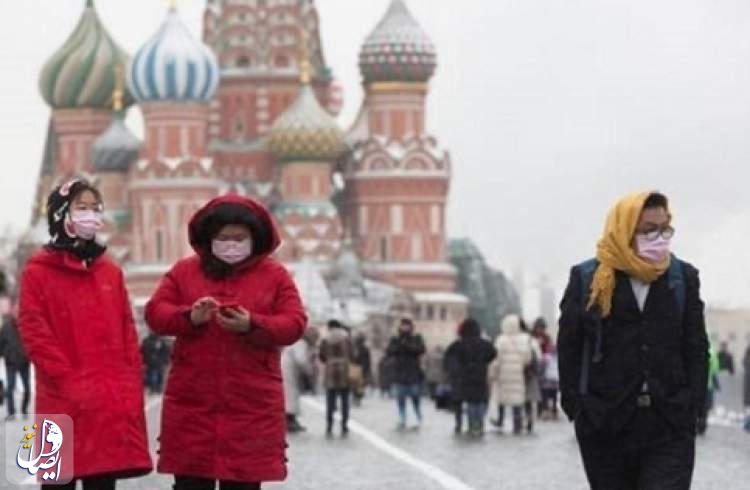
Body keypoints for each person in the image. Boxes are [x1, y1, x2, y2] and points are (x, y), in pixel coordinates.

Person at [145, 195, 307, 490]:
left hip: (250, 403)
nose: (231, 244)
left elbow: (294, 322)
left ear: (254, 238)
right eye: (223, 237)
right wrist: (190, 317)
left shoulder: (274, 275)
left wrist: (252, 324)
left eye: (239, 237)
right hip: (193, 400)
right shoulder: (185, 272)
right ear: (209, 238)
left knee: (243, 483)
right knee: (191, 481)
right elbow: (156, 313)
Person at [558, 191, 708, 490]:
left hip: (669, 420)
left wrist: (693, 404)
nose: (659, 238)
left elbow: (696, 346)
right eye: (649, 230)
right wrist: (577, 406)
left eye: (665, 229)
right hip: (606, 422)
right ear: (625, 229)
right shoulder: (589, 278)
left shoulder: (682, 278)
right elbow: (570, 346)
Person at [18, 179, 152, 488]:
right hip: (60, 399)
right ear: (61, 214)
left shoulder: (110, 272)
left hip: (106, 401)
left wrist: (131, 380)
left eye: (95, 208)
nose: (91, 215)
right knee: (57, 481)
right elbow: (34, 331)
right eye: (82, 208)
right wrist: (70, 381)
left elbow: (127, 331)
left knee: (102, 481)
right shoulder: (37, 272)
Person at [444, 318, 497, 436]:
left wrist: (457, 369)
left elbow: (448, 357)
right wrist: (484, 361)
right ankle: (480, 423)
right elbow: (493, 352)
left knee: (471, 402)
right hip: (480, 376)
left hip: (466, 377)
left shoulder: (458, 345)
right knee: (481, 401)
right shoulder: (484, 344)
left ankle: (472, 424)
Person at [491, 314, 534, 434]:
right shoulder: (525, 339)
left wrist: (493, 374)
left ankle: (500, 420)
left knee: (502, 399)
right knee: (517, 400)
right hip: (518, 375)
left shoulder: (501, 340)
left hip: (503, 375)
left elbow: (496, 360)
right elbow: (528, 359)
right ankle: (517, 424)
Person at [385, 318, 426, 430]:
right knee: (401, 397)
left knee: (415, 396)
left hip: (413, 372)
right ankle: (402, 417)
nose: (405, 327)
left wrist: (407, 345)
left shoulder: (416, 338)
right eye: (403, 325)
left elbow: (421, 349)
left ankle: (418, 416)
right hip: (400, 372)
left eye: (407, 325)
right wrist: (399, 346)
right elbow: (389, 351)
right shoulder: (395, 339)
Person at [318, 320, 353, 436]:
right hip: (344, 370)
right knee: (345, 401)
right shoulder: (346, 337)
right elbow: (353, 353)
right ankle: (344, 425)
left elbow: (321, 356)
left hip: (330, 371)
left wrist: (329, 360)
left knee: (330, 401)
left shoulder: (325, 338)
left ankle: (329, 425)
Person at [0, 308, 30, 418]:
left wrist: (29, 355)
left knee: (27, 388)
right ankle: (11, 412)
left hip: (24, 362)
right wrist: (5, 354)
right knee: (10, 388)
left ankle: (24, 409)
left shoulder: (26, 325)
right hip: (11, 362)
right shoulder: (6, 327)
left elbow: (31, 341)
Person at [282, 337, 313, 433]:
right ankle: (289, 419)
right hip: (289, 370)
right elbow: (301, 360)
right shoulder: (300, 343)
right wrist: (308, 370)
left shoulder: (293, 341)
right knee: (290, 395)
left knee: (290, 394)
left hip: (288, 368)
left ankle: (291, 418)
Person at [697, 344, 720, 435]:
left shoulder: (694, 349)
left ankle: (694, 425)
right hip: (707, 385)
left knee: (694, 406)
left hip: (696, 385)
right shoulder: (712, 353)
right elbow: (715, 369)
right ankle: (702, 427)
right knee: (705, 408)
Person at [350, 334, 372, 406]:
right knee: (357, 385)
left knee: (358, 386)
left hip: (358, 368)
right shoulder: (356, 348)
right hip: (358, 368)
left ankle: (357, 398)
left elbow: (367, 360)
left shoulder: (361, 349)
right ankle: (356, 398)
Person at [540, 347, 560, 420]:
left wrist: (541, 378)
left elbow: (542, 368)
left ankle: (545, 412)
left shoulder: (546, 358)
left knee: (545, 397)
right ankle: (554, 412)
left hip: (546, 381)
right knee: (554, 397)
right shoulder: (558, 357)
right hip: (556, 381)